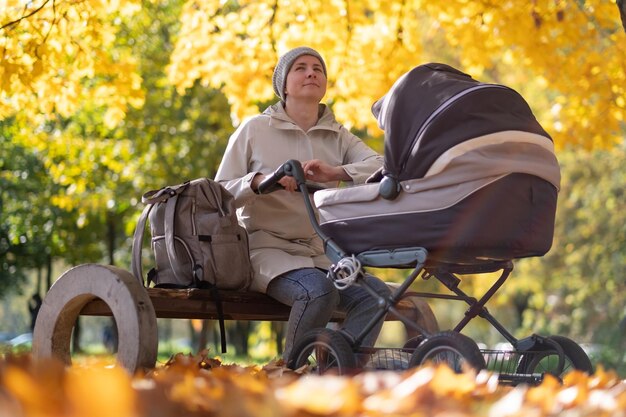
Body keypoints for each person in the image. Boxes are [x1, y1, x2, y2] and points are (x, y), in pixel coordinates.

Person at [215, 46, 391, 361]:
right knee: (318, 291)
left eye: (317, 69)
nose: (311, 72)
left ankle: (336, 368)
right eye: (300, 68)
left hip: (320, 254)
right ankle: (290, 372)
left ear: (324, 83)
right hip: (264, 250)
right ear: (284, 85)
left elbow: (380, 165)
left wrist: (337, 171)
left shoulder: (338, 136)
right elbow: (218, 192)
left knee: (376, 296)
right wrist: (257, 182)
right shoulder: (254, 129)